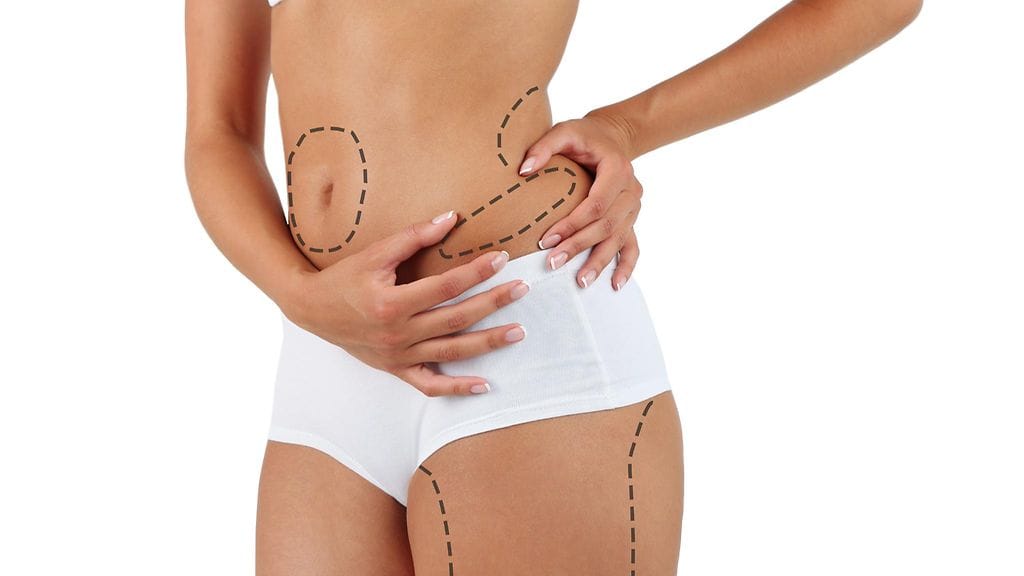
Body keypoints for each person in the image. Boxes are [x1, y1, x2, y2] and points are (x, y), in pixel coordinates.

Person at [183, 1, 922, 573]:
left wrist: (626, 127)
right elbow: (219, 130)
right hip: (328, 359)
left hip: (524, 346)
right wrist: (299, 295)